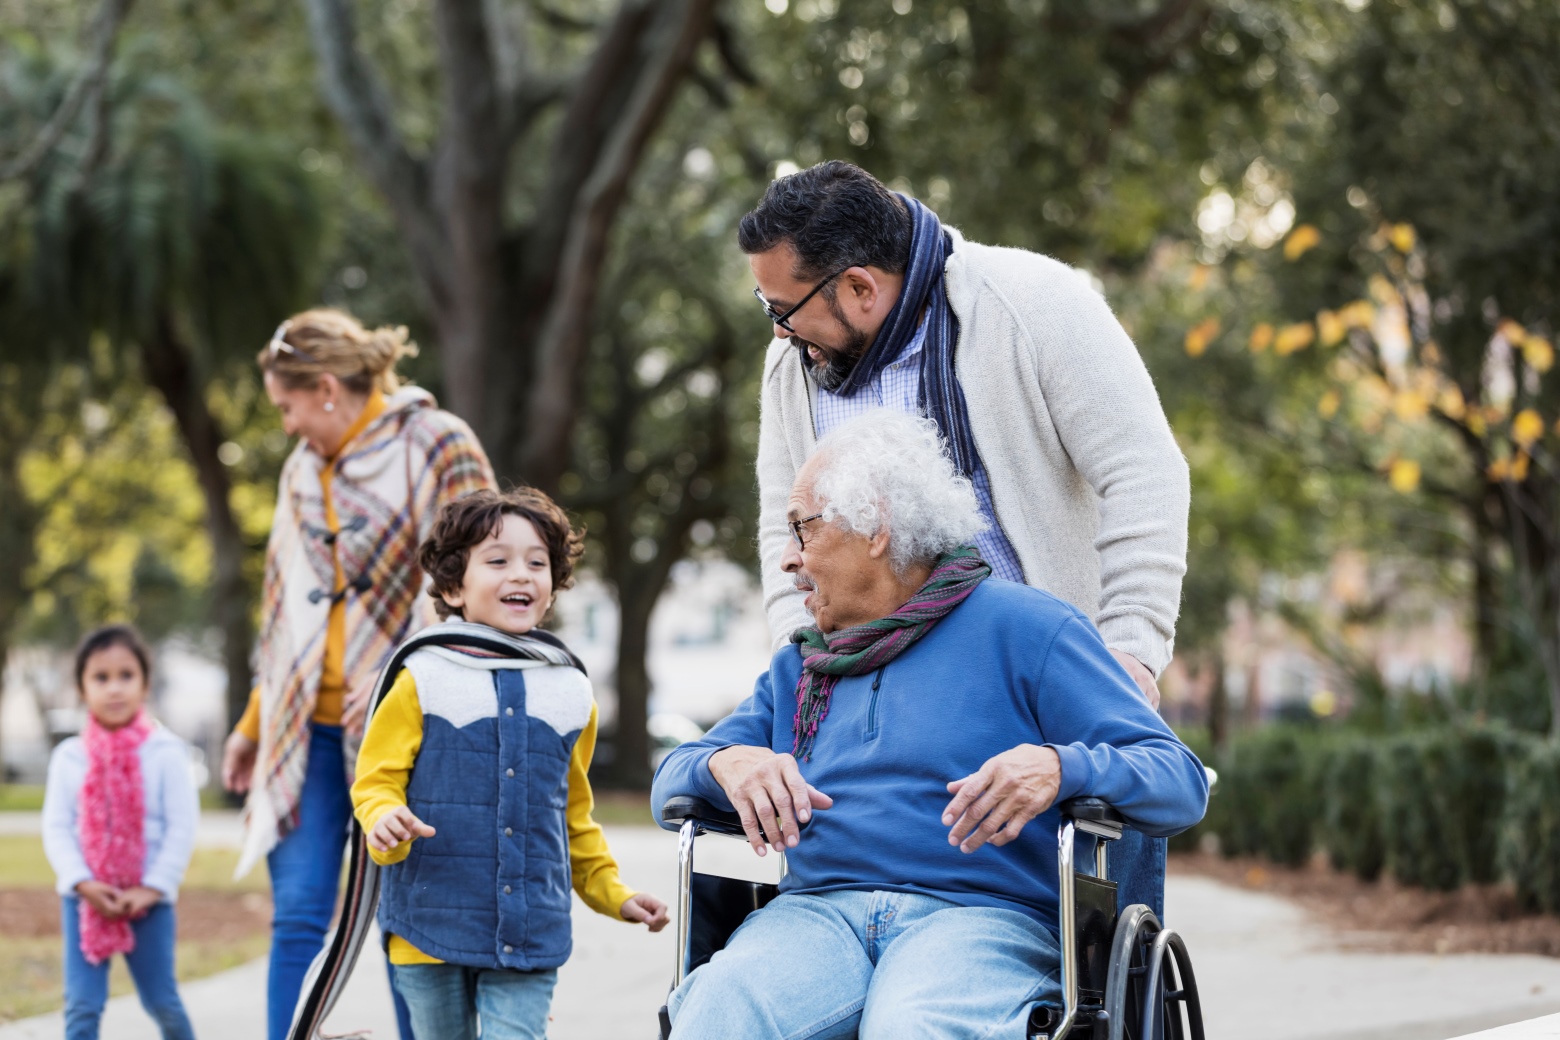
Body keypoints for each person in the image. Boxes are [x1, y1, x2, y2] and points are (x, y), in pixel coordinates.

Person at [652, 412, 1207, 1038]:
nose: (786, 560)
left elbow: (1179, 780)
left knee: (910, 1027)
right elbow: (669, 780)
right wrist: (722, 763)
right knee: (718, 1010)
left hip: (979, 920)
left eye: (802, 529)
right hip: (814, 919)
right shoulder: (800, 667)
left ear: (876, 529)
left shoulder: (1028, 629)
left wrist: (1061, 767)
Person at [742, 160, 1191, 918]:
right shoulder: (796, 363)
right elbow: (779, 517)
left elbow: (1144, 472)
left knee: (1092, 941)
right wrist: (802, 660)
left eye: (784, 308)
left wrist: (1131, 650)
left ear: (859, 287)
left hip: (1035, 674)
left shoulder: (1033, 303)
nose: (780, 329)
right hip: (878, 687)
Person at [219, 308, 495, 1040]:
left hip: (408, 726)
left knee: (404, 917)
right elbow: (284, 615)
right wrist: (253, 723)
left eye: (288, 407)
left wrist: (418, 688)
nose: (286, 426)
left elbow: (482, 583)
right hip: (303, 726)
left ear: (329, 388)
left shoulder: (439, 443)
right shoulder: (301, 471)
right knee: (302, 911)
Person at [352, 488, 670, 1040]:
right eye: (498, 561)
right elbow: (375, 782)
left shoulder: (571, 691)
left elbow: (570, 815)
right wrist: (384, 821)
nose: (520, 574)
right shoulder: (421, 678)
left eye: (537, 562)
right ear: (454, 585)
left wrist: (612, 893)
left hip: (529, 927)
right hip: (429, 926)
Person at [42, 625, 199, 1040]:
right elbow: (56, 828)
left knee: (162, 1001)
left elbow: (181, 828)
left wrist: (152, 888)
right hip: (86, 901)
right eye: (101, 677)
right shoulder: (68, 758)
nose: (115, 688)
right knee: (82, 1007)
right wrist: (83, 883)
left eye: (126, 676)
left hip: (148, 900)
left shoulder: (166, 752)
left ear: (145, 683)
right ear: (81, 687)